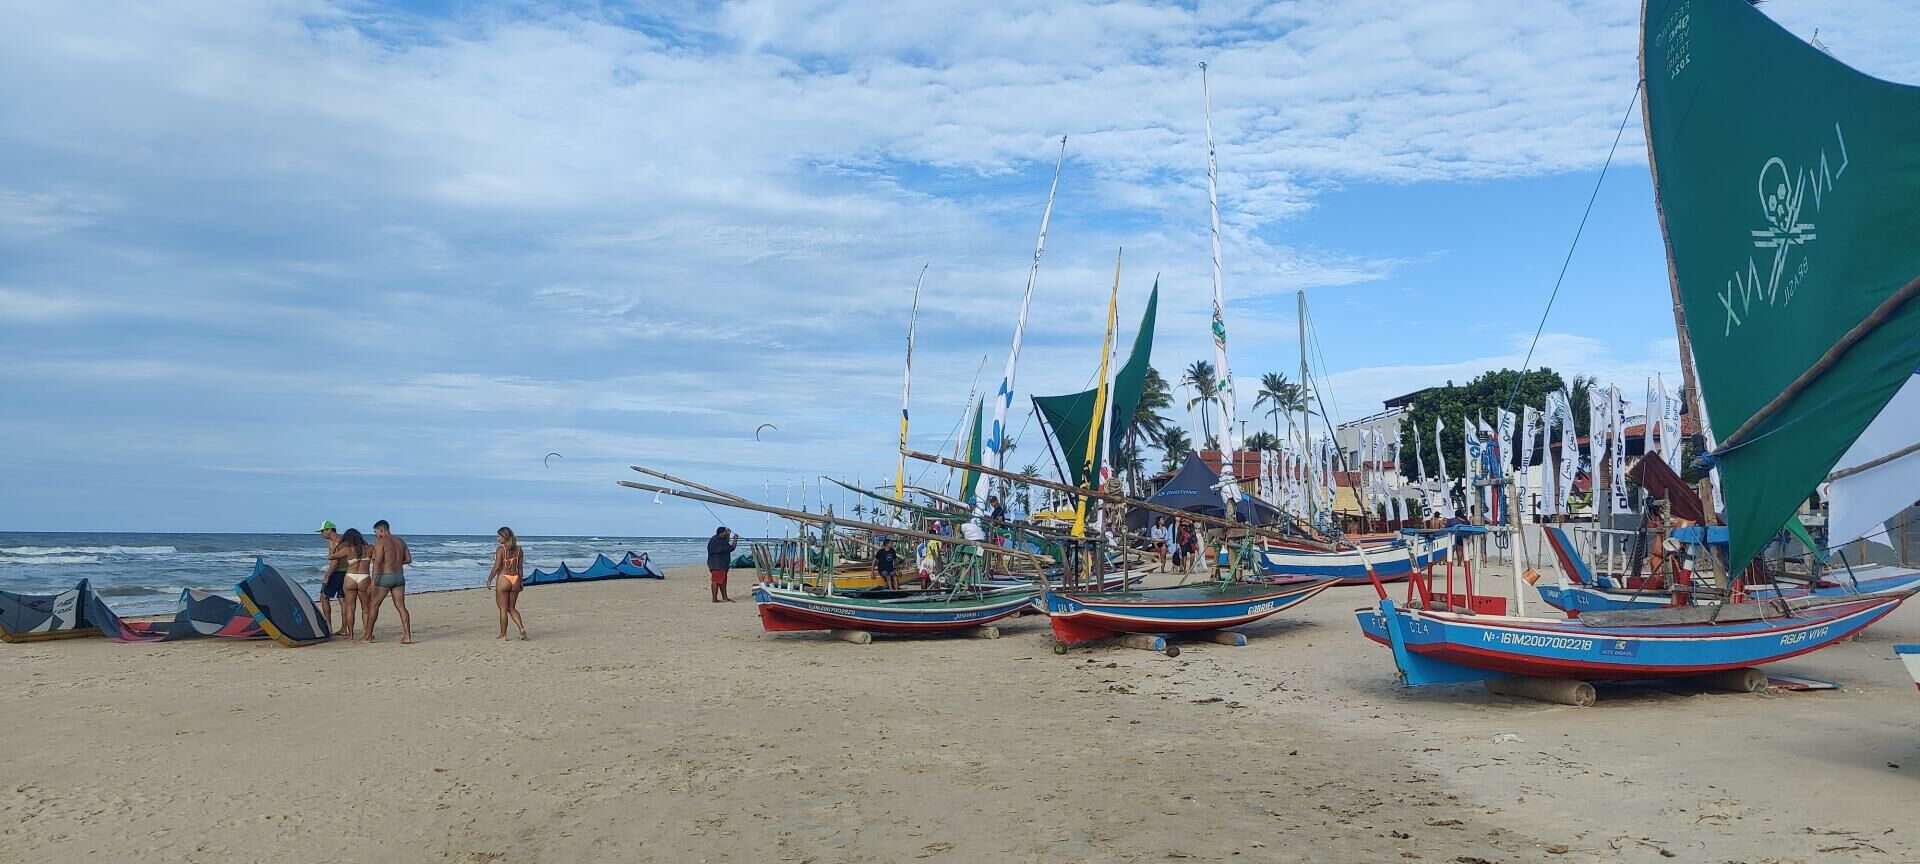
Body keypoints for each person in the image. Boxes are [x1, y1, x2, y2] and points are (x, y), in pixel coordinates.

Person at [363, 520, 413, 644]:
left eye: (376, 532)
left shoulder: (381, 542)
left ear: (381, 530)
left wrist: (372, 582)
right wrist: (394, 562)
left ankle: (368, 636)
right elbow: (408, 560)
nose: (376, 535)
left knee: (374, 605)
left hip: (385, 576)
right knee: (401, 607)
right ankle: (407, 636)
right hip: (399, 577)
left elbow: (377, 562)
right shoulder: (400, 541)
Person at [486, 526, 529, 640]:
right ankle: (521, 628)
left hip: (504, 578)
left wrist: (490, 579)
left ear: (505, 537)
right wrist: (521, 582)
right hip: (515, 579)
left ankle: (503, 635)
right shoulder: (519, 549)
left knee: (503, 609)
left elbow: (496, 567)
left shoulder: (501, 549)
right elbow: (520, 567)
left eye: (499, 536)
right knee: (512, 608)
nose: (497, 538)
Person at [337, 528, 373, 640]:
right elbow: (378, 560)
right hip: (364, 577)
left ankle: (351, 634)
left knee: (350, 607)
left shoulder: (348, 550)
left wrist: (337, 545)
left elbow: (331, 556)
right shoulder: (369, 548)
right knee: (366, 608)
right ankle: (367, 633)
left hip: (350, 577)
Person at [316, 521, 349, 635]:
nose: (321, 534)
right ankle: (344, 629)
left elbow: (334, 562)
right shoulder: (346, 541)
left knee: (324, 597)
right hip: (347, 572)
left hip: (337, 573)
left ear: (329, 530)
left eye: (322, 531)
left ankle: (328, 627)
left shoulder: (333, 544)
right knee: (343, 600)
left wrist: (327, 577)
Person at [707, 526, 738, 603]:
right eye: (725, 532)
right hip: (718, 564)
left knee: (723, 581)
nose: (726, 533)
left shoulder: (716, 538)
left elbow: (725, 541)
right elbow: (731, 548)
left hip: (718, 563)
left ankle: (725, 597)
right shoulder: (719, 541)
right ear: (721, 533)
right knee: (716, 581)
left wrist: (728, 534)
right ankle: (714, 599)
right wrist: (735, 539)